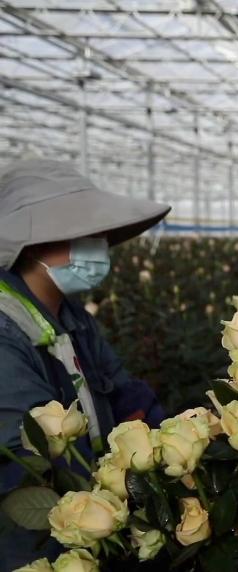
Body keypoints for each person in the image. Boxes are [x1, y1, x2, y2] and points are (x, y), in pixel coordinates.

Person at [0, 158, 172, 569]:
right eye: (83, 233)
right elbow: (32, 458)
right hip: (38, 544)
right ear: (34, 243)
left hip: (98, 521)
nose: (99, 244)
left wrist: (177, 443)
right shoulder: (5, 331)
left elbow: (127, 396)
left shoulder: (73, 318)